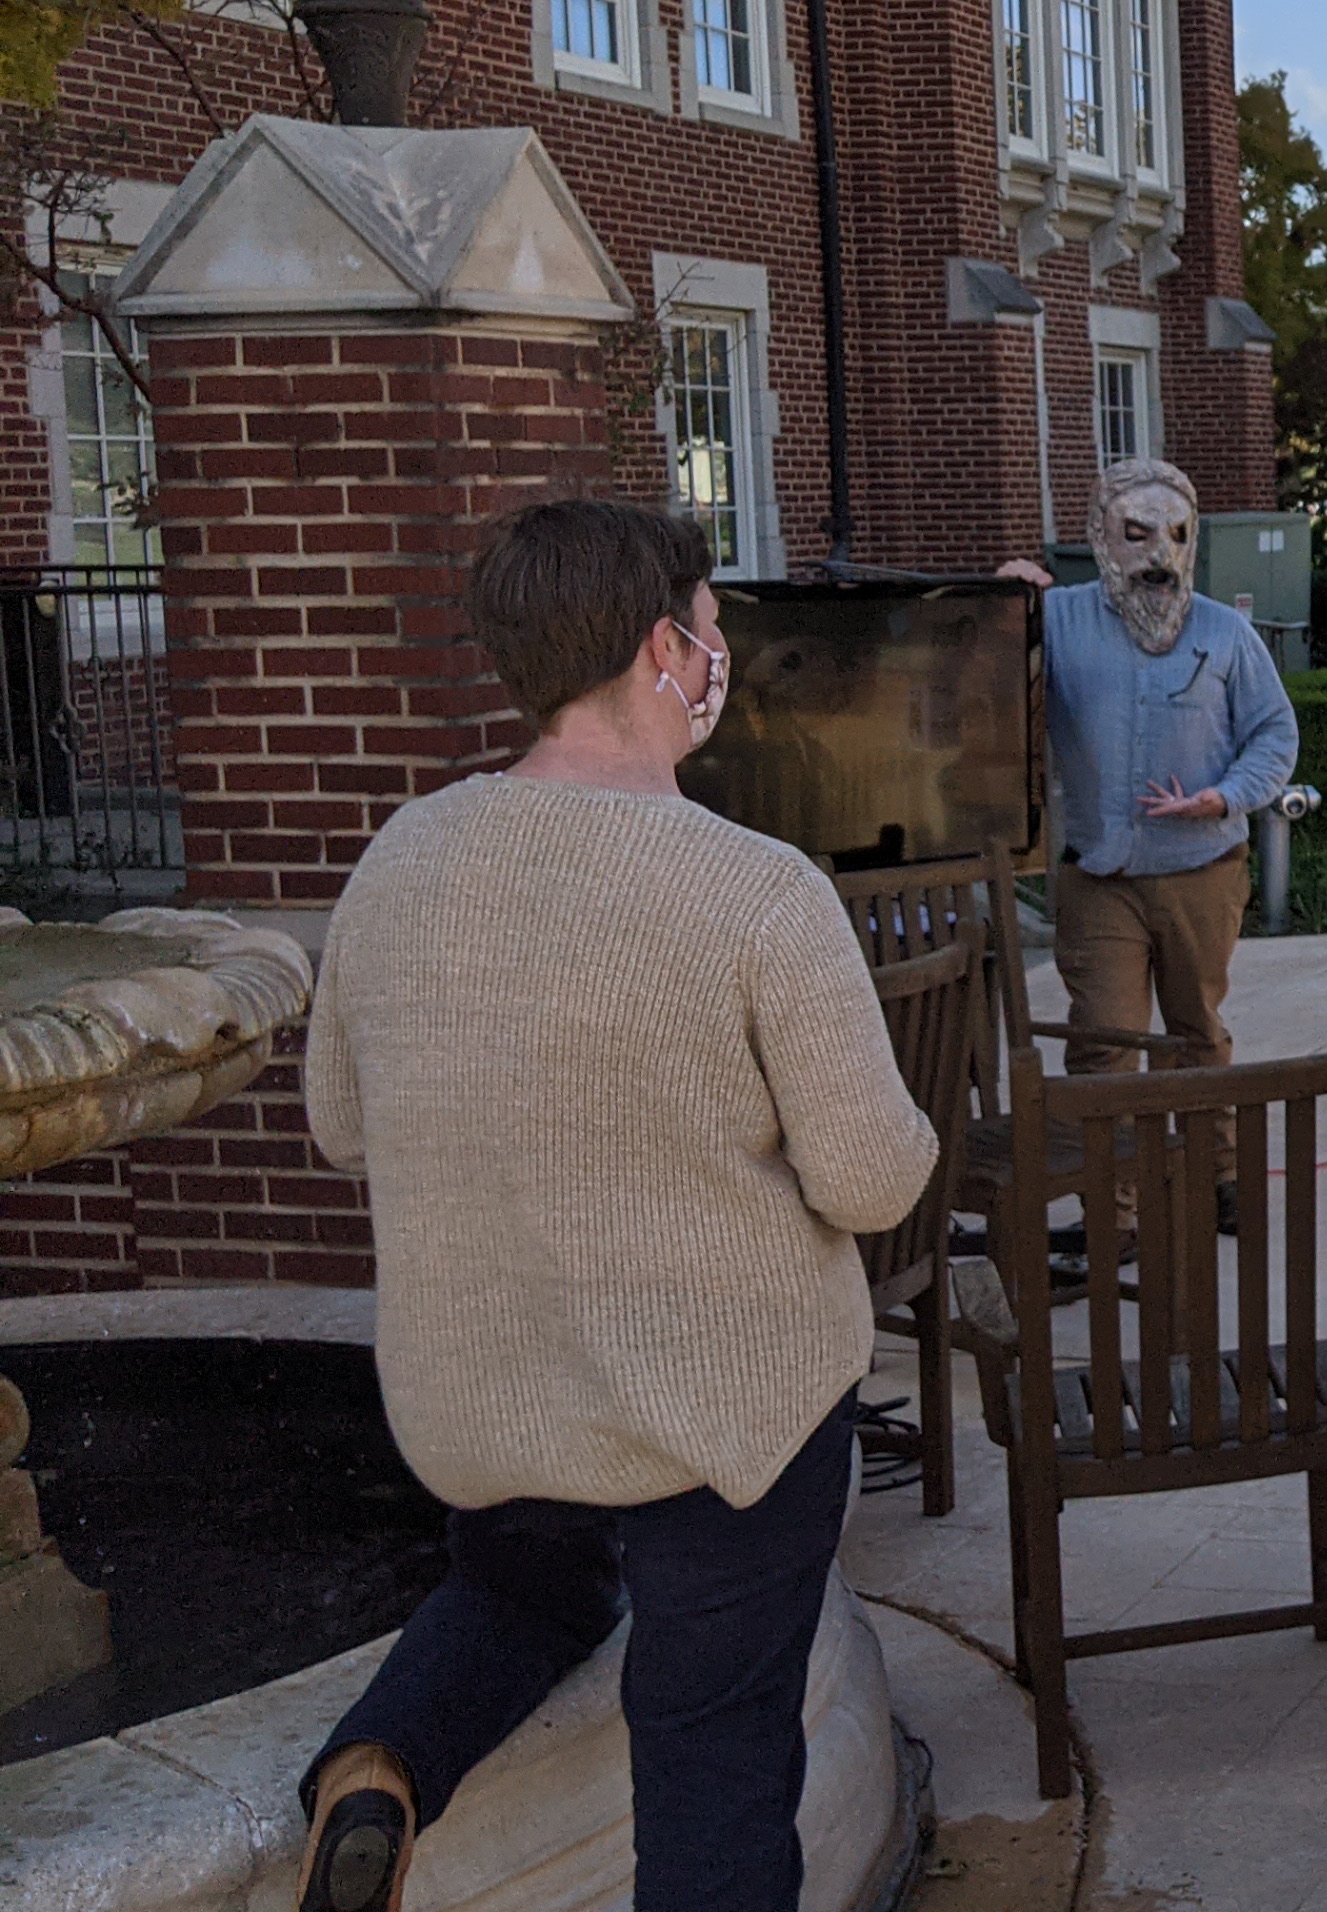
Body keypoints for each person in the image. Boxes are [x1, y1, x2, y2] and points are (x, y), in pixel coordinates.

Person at [291, 499, 940, 1912]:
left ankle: (378, 1770)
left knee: (524, 1590)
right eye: (712, 633)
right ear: (661, 647)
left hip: (493, 1402)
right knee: (713, 1754)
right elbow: (877, 1178)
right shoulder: (757, 892)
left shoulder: (400, 861)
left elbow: (341, 1128)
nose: (721, 659)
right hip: (723, 1426)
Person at [995, 461, 1297, 1070]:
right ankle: (1113, 1167)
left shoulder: (1228, 632)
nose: (1160, 554)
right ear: (1100, 537)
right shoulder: (1053, 620)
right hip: (1101, 875)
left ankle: (1211, 1165)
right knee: (1102, 1040)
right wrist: (1000, 606)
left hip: (1202, 872)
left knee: (1197, 1038)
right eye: (1137, 534)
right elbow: (986, 700)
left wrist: (1226, 795)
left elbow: (1274, 732)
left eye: (1179, 535)